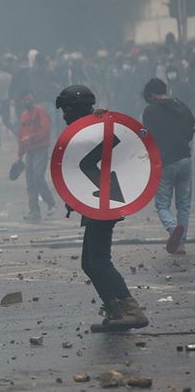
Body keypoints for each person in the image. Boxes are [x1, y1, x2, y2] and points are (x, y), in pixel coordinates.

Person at [56, 85, 148, 332]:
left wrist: (105, 119)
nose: (64, 114)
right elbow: (77, 168)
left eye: (66, 108)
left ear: (74, 107)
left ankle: (131, 309)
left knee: (98, 260)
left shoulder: (95, 128)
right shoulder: (91, 127)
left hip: (104, 202)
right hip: (97, 202)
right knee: (90, 261)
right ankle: (116, 309)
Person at [142, 77, 194, 255]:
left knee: (162, 204)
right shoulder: (182, 106)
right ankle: (181, 244)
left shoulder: (150, 111)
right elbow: (190, 131)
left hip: (164, 162)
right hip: (185, 159)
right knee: (184, 205)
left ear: (152, 95)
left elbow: (145, 135)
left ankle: (173, 229)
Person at [17, 90, 55, 221]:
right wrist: (20, 155)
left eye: (29, 98)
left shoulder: (40, 111)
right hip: (29, 151)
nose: (27, 100)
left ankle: (50, 203)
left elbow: (45, 129)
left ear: (33, 98)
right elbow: (21, 135)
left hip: (41, 148)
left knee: (38, 176)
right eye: (24, 99)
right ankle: (34, 211)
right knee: (30, 182)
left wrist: (32, 138)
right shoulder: (23, 115)